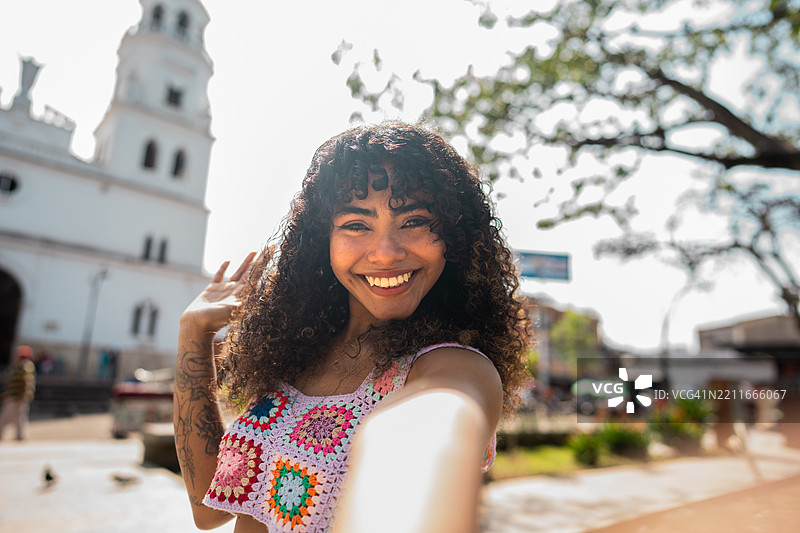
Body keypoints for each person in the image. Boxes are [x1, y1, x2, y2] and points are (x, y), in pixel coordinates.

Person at [174, 122, 531, 532]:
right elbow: (209, 508)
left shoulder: (453, 369)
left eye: (414, 220)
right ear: (320, 242)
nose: (385, 254)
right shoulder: (293, 357)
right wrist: (192, 334)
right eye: (356, 225)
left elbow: (438, 430)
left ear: (455, 235)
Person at [0, 345, 37, 441]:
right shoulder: (23, 366)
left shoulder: (24, 366)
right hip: (17, 396)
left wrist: (21, 395)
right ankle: (20, 436)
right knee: (19, 417)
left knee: (5, 416)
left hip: (16, 397)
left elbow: (26, 382)